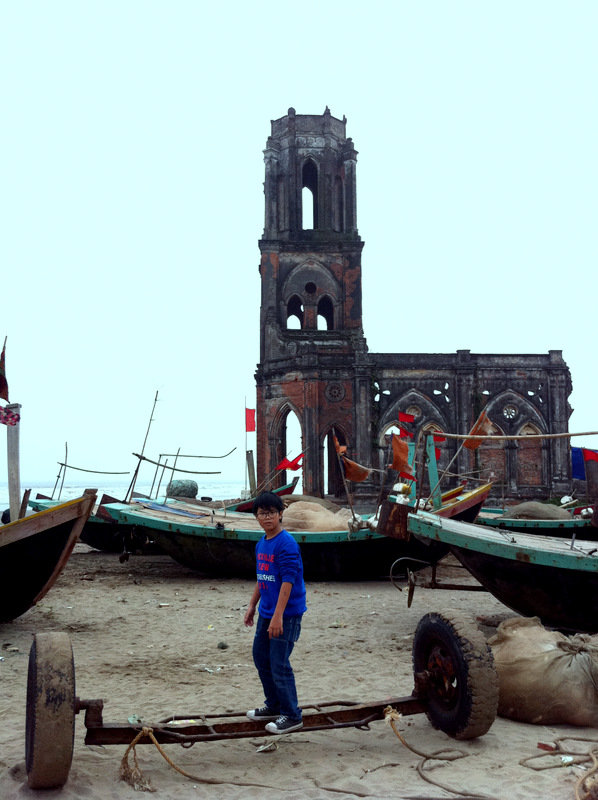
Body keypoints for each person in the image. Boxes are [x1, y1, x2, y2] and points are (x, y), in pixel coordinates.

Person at [244, 491, 306, 734]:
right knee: (261, 657)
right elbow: (263, 578)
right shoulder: (262, 543)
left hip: (286, 614)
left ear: (280, 514)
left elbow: (288, 581)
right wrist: (252, 606)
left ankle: (292, 715)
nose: (267, 517)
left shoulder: (287, 544)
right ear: (257, 517)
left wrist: (279, 615)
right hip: (266, 612)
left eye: (271, 512)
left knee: (279, 664)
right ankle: (274, 706)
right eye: (262, 513)